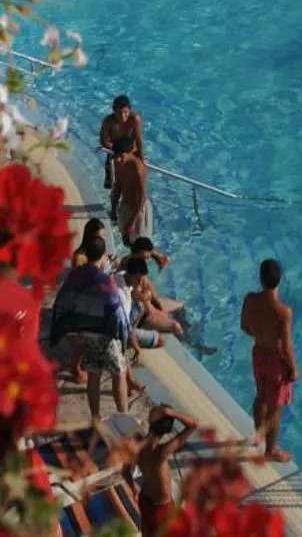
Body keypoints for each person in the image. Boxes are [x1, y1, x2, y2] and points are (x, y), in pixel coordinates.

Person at [51, 238, 131, 423]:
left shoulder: (76, 277)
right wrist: (124, 337)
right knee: (119, 375)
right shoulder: (105, 283)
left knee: (93, 375)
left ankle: (96, 418)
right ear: (103, 255)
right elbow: (118, 315)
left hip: (87, 333)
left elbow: (63, 301)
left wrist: (72, 324)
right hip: (107, 336)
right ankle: (124, 419)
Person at [240, 258, 296, 462]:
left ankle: (258, 434)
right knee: (276, 407)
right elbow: (287, 346)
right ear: (280, 280)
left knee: (261, 395)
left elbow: (244, 327)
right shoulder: (283, 312)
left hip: (259, 354)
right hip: (276, 361)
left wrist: (261, 336)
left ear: (260, 278)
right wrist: (293, 368)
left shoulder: (250, 300)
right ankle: (271, 450)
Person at [135, 407, 203, 534]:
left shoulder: (139, 444)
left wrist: (130, 485)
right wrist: (172, 413)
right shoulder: (161, 453)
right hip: (160, 509)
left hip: (144, 500)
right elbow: (194, 424)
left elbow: (126, 468)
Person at [111, 135, 152, 249]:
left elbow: (143, 196)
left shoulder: (138, 170)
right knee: (127, 241)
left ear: (130, 153)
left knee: (141, 244)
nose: (118, 159)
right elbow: (118, 186)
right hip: (125, 205)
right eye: (116, 156)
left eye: (121, 156)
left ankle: (158, 258)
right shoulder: (119, 164)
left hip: (139, 209)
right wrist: (113, 208)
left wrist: (133, 222)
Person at [99, 95, 145, 191]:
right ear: (113, 111)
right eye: (119, 113)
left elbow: (139, 140)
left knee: (136, 178)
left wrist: (142, 158)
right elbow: (103, 140)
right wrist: (117, 150)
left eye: (126, 112)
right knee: (111, 182)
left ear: (130, 109)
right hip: (115, 149)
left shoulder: (135, 119)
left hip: (131, 150)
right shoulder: (108, 121)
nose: (123, 116)